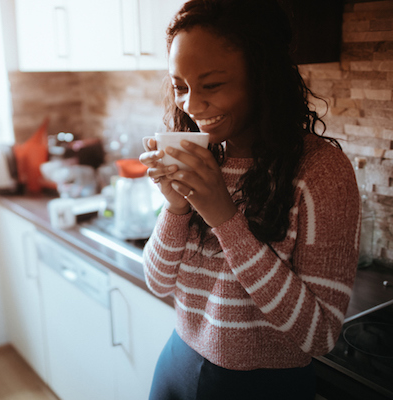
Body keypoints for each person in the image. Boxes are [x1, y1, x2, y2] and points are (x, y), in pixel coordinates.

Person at [139, 1, 361, 399]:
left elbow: (319, 334)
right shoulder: (203, 154)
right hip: (177, 363)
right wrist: (176, 206)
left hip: (261, 386)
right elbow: (156, 282)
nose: (190, 105)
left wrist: (224, 217)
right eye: (180, 86)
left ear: (263, 78)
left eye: (211, 85)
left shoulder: (320, 171)